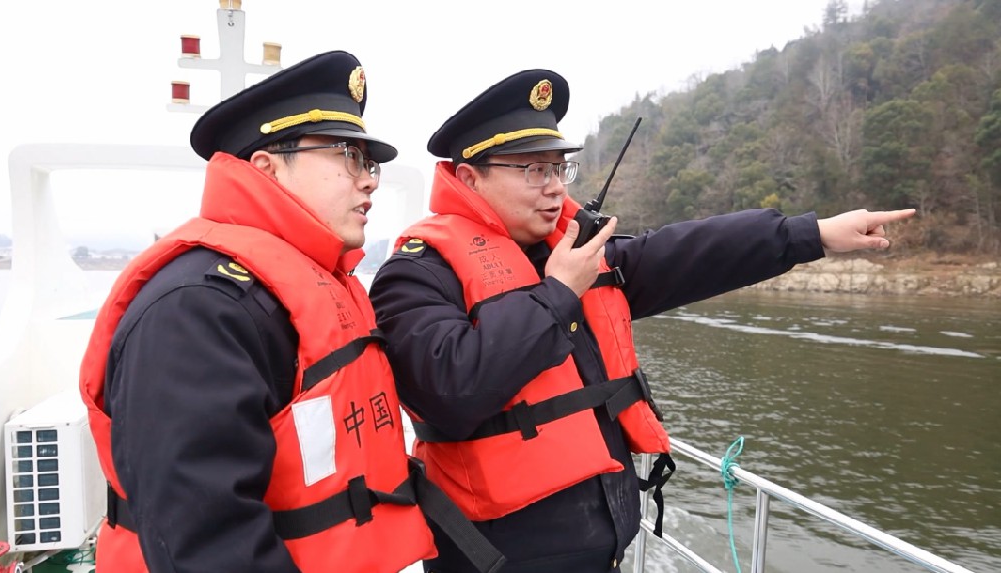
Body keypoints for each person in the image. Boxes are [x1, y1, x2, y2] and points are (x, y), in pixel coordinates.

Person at [367, 68, 916, 573]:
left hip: (605, 551)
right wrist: (557, 295)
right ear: (470, 176)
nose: (556, 186)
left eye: (559, 167)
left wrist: (811, 234)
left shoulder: (579, 253)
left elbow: (690, 252)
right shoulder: (418, 272)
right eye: (533, 169)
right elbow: (448, 391)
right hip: (493, 559)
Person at [79, 51, 503, 573]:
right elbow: (207, 543)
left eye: (369, 163)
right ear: (267, 167)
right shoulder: (198, 308)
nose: (370, 180)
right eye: (349, 156)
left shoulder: (304, 287)